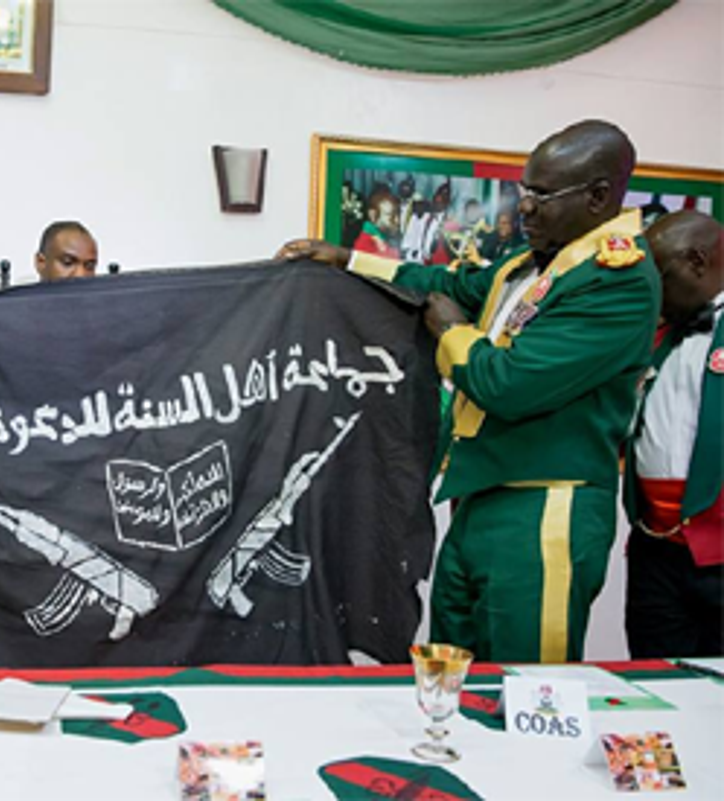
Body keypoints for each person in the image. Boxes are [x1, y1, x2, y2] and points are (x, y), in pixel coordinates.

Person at [276, 119, 661, 662]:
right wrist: (347, 260)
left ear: (599, 196)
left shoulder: (615, 279)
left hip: (544, 504)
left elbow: (508, 383)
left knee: (528, 687)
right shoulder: (534, 264)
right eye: (524, 192)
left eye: (543, 195)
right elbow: (446, 285)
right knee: (453, 674)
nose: (525, 208)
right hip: (479, 496)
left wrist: (453, 330)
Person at [624, 210, 723, 658]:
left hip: (718, 553)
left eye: (659, 275)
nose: (651, 290)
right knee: (652, 680)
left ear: (697, 262)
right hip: (655, 550)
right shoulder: (655, 334)